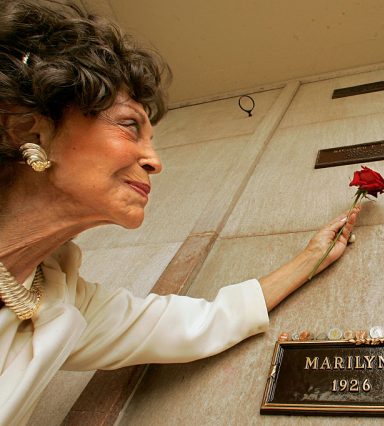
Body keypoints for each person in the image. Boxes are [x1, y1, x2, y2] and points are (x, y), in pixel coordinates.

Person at [0, 1, 360, 424]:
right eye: (130, 125)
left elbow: (206, 323)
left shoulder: (58, 303)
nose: (154, 161)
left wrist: (310, 259)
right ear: (28, 129)